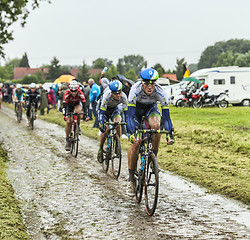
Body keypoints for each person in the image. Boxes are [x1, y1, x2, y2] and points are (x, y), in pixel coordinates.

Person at [126, 68, 174, 196]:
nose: (149, 87)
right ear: (142, 83)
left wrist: (170, 133)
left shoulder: (161, 92)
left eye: (152, 83)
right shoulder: (134, 90)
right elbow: (129, 116)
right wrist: (132, 133)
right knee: (135, 143)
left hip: (150, 109)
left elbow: (167, 118)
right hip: (135, 111)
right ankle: (131, 179)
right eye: (146, 83)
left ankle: (153, 158)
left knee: (156, 126)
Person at [97, 80, 128, 163]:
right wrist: (102, 123)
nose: (118, 95)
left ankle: (117, 144)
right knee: (106, 129)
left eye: (119, 93)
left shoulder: (124, 97)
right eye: (115, 93)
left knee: (118, 123)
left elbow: (126, 113)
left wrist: (129, 124)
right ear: (111, 92)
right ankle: (101, 148)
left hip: (114, 110)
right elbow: (102, 112)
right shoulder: (106, 96)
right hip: (103, 110)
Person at [62, 80, 87, 151]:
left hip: (77, 103)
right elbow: (64, 105)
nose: (73, 93)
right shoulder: (67, 93)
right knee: (68, 122)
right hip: (69, 105)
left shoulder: (80, 93)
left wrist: (86, 113)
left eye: (75, 91)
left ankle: (78, 125)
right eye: (72, 91)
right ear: (69, 90)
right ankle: (67, 140)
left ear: (78, 89)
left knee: (78, 112)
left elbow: (84, 103)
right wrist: (65, 114)